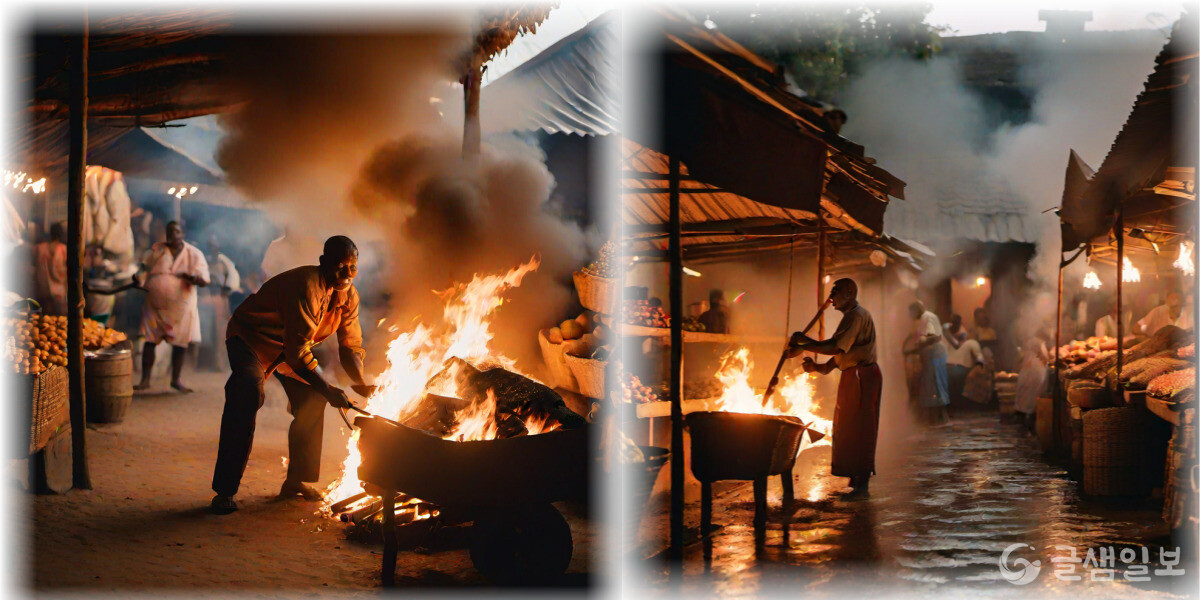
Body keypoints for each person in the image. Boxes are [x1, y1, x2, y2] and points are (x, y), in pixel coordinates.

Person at [210, 235, 369, 514]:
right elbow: (298, 354)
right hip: (251, 339)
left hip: (288, 348)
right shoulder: (307, 286)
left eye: (352, 267)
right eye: (339, 266)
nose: (346, 274)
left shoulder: (349, 296)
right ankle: (225, 490)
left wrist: (361, 384)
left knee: (312, 398)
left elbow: (351, 346)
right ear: (323, 263)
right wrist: (329, 388)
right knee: (247, 393)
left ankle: (296, 481)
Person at [784, 278, 880, 498]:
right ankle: (855, 477)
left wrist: (804, 343)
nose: (831, 297)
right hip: (853, 375)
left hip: (862, 376)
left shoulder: (856, 315)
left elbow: (836, 346)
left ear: (849, 293)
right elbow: (842, 353)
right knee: (847, 427)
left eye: (835, 292)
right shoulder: (851, 316)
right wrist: (818, 367)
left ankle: (861, 484)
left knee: (860, 428)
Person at [135, 221, 210, 393]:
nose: (172, 235)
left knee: (180, 343)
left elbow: (203, 278)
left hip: (181, 308)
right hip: (154, 307)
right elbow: (144, 268)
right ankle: (145, 379)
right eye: (169, 231)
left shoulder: (194, 253)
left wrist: (192, 277)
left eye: (176, 231)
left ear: (183, 233)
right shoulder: (157, 250)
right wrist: (138, 277)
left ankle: (176, 380)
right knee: (149, 340)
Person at [905, 301, 950, 425]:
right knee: (933, 388)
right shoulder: (926, 318)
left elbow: (934, 338)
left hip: (934, 355)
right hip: (932, 356)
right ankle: (938, 420)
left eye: (911, 313)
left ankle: (937, 420)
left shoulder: (926, 317)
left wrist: (918, 345)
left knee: (934, 387)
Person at [33, 222, 67, 315]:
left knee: (43, 319)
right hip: (58, 291)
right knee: (57, 319)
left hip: (43, 289)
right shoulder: (63, 249)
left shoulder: (40, 248)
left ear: (50, 233)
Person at [945, 332, 984, 406]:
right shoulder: (950, 345)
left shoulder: (971, 343)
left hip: (961, 368)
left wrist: (978, 365)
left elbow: (979, 356)